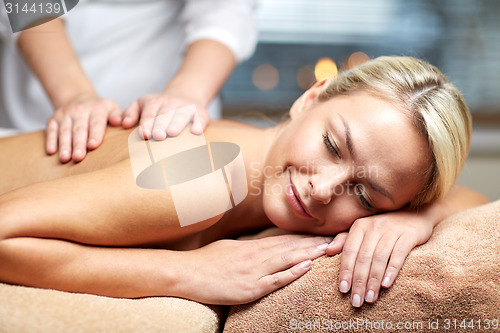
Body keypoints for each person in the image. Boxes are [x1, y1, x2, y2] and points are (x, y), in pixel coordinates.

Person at [0, 56, 489, 307]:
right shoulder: (210, 179)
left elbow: (478, 201)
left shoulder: (253, 172)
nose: (323, 188)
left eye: (363, 194)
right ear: (310, 99)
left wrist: (417, 219)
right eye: (333, 147)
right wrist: (190, 274)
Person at [0, 0, 257, 162]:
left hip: (175, 125)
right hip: (36, 122)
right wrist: (73, 96)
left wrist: (187, 94)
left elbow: (226, 11)